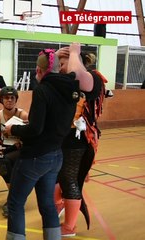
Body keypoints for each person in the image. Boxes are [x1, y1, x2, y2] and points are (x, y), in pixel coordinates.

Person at [3, 49, 80, 240]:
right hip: (56, 155)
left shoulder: (42, 89)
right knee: (47, 204)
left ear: (38, 70)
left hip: (36, 157)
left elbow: (35, 129)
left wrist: (13, 130)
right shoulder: (71, 87)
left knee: (15, 203)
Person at [55, 43, 109, 237]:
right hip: (63, 137)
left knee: (69, 179)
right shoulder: (67, 80)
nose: (61, 68)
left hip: (77, 140)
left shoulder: (91, 77)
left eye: (63, 64)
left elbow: (78, 77)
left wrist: (75, 53)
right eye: (60, 64)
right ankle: (62, 205)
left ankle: (70, 226)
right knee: (57, 177)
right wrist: (54, 58)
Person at [0, 86, 28, 217]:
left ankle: (14, 198)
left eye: (12, 98)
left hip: (21, 148)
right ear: (1, 100)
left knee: (4, 162)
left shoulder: (22, 115)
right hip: (6, 147)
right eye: (6, 98)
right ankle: (15, 196)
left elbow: (28, 137)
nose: (9, 100)